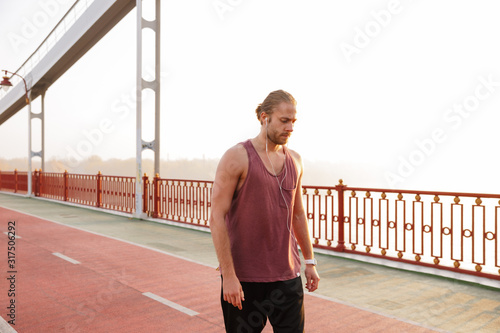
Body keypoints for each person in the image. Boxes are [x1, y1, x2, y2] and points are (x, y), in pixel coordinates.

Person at [209, 89, 320, 333]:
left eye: (293, 121)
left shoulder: (296, 160)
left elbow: (298, 213)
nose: (290, 127)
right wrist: (228, 276)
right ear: (264, 117)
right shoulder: (237, 157)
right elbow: (216, 217)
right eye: (284, 120)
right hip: (244, 279)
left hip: (287, 277)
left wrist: (309, 262)